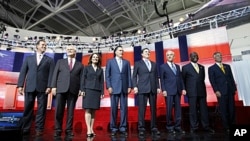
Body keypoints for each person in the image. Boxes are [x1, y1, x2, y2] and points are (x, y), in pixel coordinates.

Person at [17, 39, 55, 136]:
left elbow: (51, 75)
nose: (44, 46)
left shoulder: (49, 60)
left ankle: (39, 129)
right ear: (37, 46)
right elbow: (23, 72)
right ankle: (26, 128)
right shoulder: (28, 59)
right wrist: (20, 85)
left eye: (45, 45)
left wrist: (50, 86)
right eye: (42, 45)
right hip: (30, 86)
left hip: (43, 88)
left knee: (41, 110)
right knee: (28, 108)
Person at [51, 45, 84, 137]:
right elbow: (55, 74)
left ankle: (68, 130)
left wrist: (81, 89)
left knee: (70, 112)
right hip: (60, 89)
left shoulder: (80, 65)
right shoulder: (60, 62)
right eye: (68, 49)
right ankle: (58, 129)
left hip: (73, 90)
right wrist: (53, 86)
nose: (69, 50)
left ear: (75, 52)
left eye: (71, 49)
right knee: (59, 110)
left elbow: (82, 79)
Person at [182, 52, 215, 133]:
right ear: (190, 57)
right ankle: (194, 127)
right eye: (193, 56)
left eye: (196, 55)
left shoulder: (202, 67)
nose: (195, 57)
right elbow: (183, 80)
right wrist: (184, 89)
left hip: (202, 91)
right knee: (193, 110)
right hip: (191, 92)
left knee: (204, 110)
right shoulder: (185, 67)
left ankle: (206, 126)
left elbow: (202, 79)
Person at [132, 48, 161, 136]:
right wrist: (135, 86)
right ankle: (141, 128)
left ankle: (154, 127)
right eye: (146, 52)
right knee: (142, 109)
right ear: (142, 54)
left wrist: (158, 87)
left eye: (148, 52)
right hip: (142, 88)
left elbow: (156, 76)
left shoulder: (154, 64)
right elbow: (134, 76)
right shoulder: (138, 63)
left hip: (152, 88)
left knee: (153, 109)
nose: (148, 53)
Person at [105, 46, 132, 137]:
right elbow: (107, 75)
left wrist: (129, 86)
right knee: (114, 108)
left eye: (122, 50)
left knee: (124, 108)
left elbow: (129, 75)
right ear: (115, 52)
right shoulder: (110, 61)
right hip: (114, 88)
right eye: (120, 50)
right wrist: (108, 86)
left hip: (124, 88)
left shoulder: (126, 62)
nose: (122, 51)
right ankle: (113, 127)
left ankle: (123, 127)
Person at [208, 52, 237, 133]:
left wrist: (234, 89)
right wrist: (216, 90)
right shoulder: (211, 68)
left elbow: (231, 78)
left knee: (231, 109)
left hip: (230, 90)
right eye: (217, 56)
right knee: (224, 110)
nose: (220, 57)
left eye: (220, 55)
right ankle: (226, 126)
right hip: (221, 92)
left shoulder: (227, 66)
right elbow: (212, 81)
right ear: (214, 57)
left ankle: (232, 124)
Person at [160, 50, 186, 134]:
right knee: (169, 109)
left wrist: (183, 88)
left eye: (171, 55)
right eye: (168, 55)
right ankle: (170, 126)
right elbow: (162, 79)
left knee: (178, 110)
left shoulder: (178, 66)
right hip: (169, 91)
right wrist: (163, 90)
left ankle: (178, 127)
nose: (169, 56)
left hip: (178, 90)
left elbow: (180, 78)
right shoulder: (163, 66)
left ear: (174, 56)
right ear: (166, 57)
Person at [80, 53, 104, 138]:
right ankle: (88, 129)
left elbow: (101, 82)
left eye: (97, 57)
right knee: (88, 110)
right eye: (94, 57)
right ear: (91, 59)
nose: (95, 58)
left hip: (96, 91)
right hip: (88, 90)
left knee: (93, 111)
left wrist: (102, 93)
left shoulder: (100, 70)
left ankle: (91, 128)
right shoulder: (86, 68)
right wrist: (82, 90)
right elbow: (82, 79)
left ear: (98, 59)